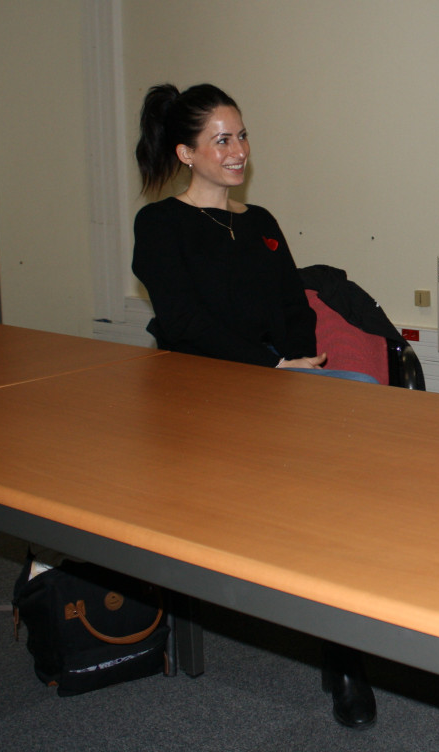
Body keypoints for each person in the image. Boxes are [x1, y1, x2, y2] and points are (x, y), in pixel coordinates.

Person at [130, 82, 376, 729]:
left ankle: (345, 652)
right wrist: (270, 369)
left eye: (241, 136)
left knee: (359, 459)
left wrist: (291, 367)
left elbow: (297, 314)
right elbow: (183, 324)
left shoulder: (260, 223)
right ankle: (342, 646)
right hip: (205, 396)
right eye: (221, 139)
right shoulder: (159, 225)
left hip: (282, 388)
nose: (238, 150)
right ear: (186, 151)